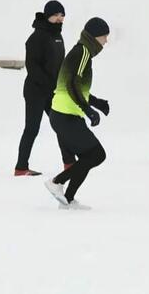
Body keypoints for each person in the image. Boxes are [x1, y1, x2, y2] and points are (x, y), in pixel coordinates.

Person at [43, 17, 111, 210]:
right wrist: (88, 110)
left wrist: (97, 103)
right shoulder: (83, 52)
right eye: (105, 36)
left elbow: (77, 87)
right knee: (97, 154)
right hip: (66, 116)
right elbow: (72, 85)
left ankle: (68, 200)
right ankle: (57, 182)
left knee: (89, 156)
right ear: (96, 36)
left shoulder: (83, 52)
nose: (106, 41)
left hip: (64, 115)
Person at [15, 0, 76, 176]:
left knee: (61, 125)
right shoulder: (36, 38)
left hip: (52, 90)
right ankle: (21, 167)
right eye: (56, 15)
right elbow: (32, 67)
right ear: (48, 15)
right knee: (32, 128)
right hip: (36, 91)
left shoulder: (57, 36)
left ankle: (69, 163)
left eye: (62, 15)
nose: (60, 19)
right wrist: (50, 84)